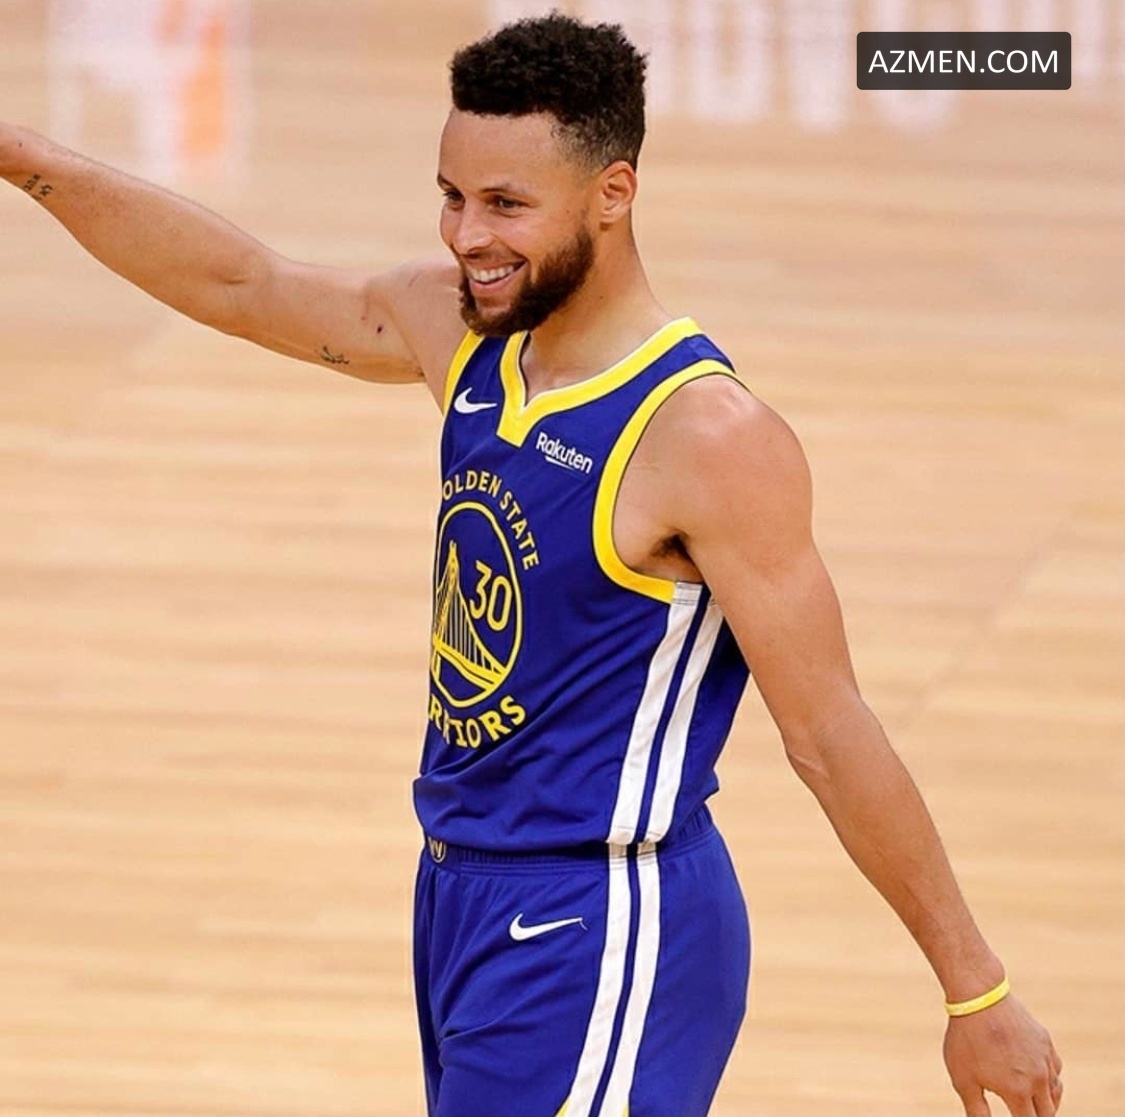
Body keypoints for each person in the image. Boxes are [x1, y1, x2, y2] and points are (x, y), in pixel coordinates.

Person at [0, 13, 1061, 1117]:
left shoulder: (704, 437)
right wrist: (25, 158)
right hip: (460, 898)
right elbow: (244, 284)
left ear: (613, 193)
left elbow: (830, 732)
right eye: (452, 196)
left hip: (600, 925)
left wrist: (974, 988)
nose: (469, 235)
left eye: (506, 204)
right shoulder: (467, 335)